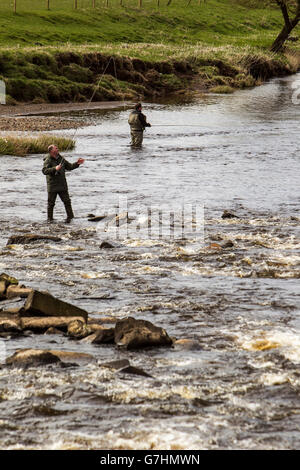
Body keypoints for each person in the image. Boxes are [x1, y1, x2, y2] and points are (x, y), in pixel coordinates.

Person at [42, 144, 84, 223]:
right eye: (56, 148)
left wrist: (77, 163)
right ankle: (49, 220)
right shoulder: (48, 160)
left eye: (57, 148)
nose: (58, 149)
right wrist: (55, 168)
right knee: (51, 204)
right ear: (51, 151)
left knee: (67, 202)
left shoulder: (61, 158)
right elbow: (44, 171)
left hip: (62, 185)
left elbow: (70, 167)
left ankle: (71, 218)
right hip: (52, 186)